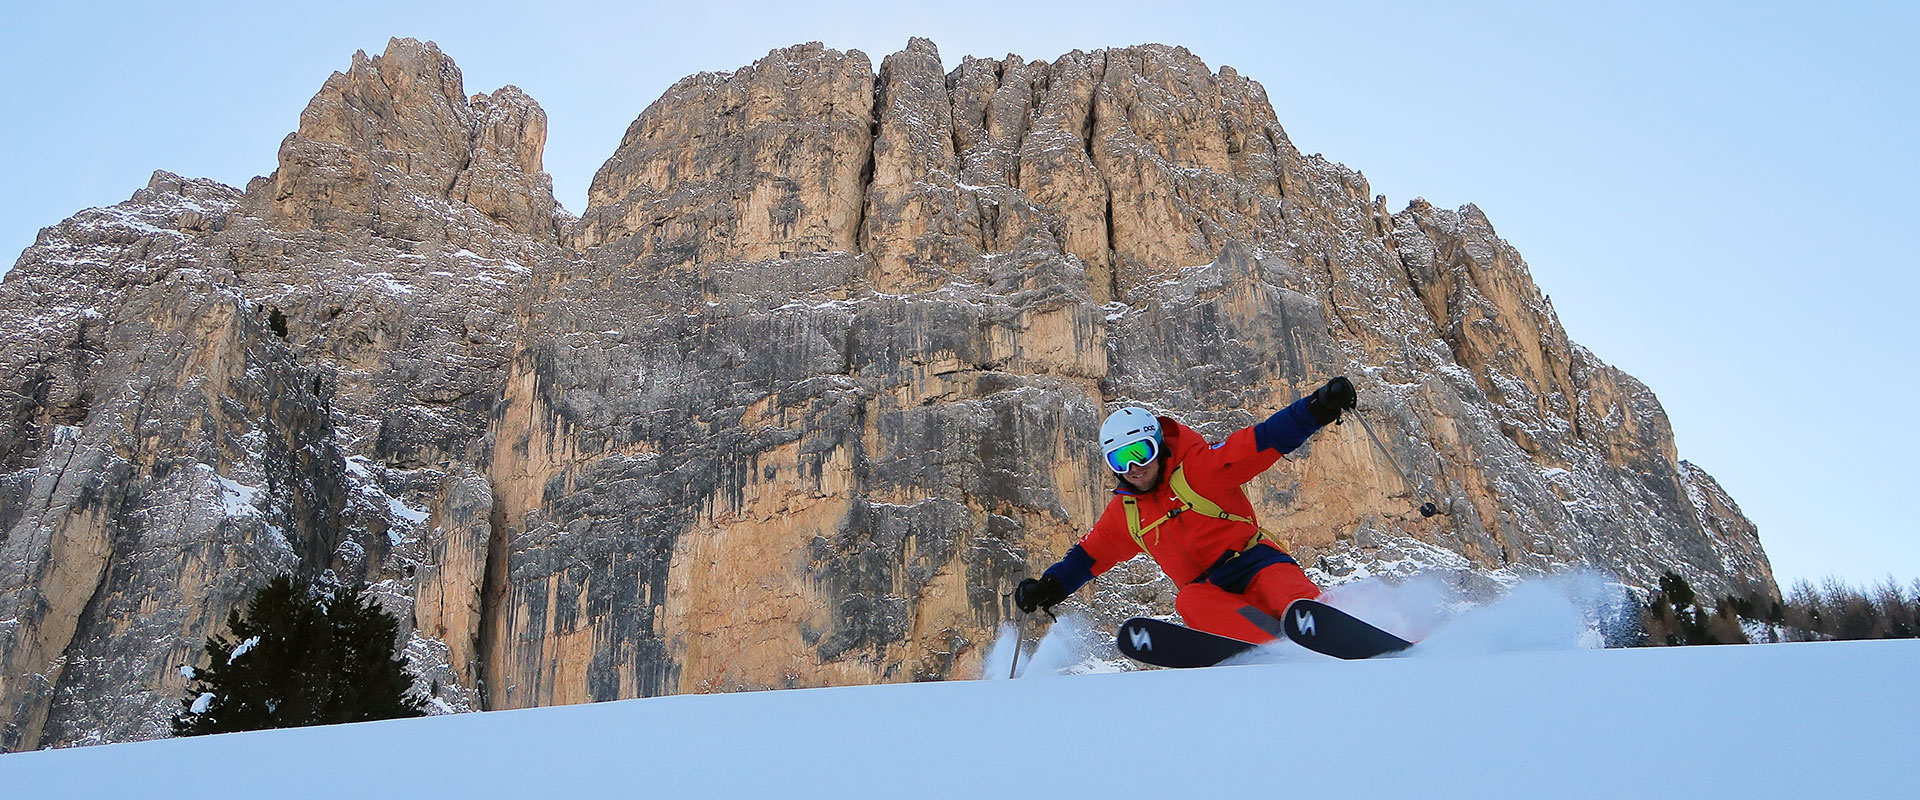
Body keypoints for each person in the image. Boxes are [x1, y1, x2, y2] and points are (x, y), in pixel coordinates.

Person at [1014, 377, 1357, 643]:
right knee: (1189, 601)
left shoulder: (1199, 470)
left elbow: (1263, 440)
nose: (1134, 467)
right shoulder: (1127, 513)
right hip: (1211, 591)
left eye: (1141, 452)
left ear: (1159, 448)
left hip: (1255, 562)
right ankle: (1275, 649)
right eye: (1120, 459)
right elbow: (1088, 557)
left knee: (1287, 593)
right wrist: (1048, 587)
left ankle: (1331, 628)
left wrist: (1319, 407)